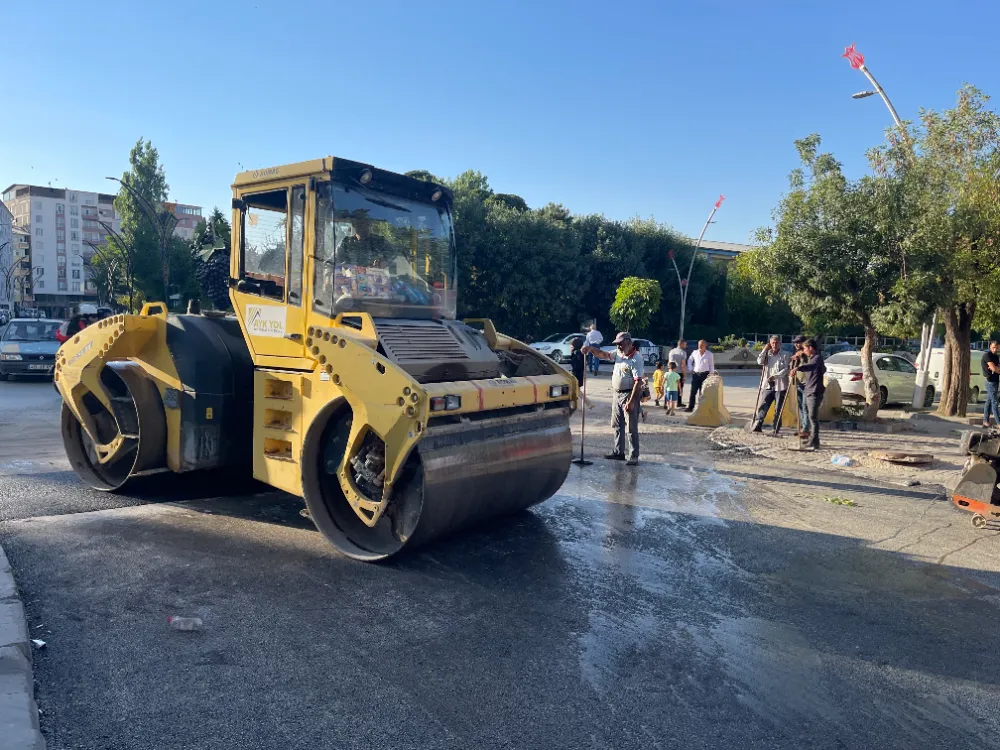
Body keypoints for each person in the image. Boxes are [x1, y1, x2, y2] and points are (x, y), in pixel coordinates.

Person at [583, 331, 644, 466]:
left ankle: (633, 455)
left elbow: (638, 382)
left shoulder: (636, 358)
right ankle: (618, 452)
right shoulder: (618, 353)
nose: (619, 346)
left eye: (621, 344)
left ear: (628, 342)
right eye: (617, 344)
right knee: (617, 424)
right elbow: (603, 355)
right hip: (617, 394)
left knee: (631, 428)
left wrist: (631, 401)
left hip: (629, 394)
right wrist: (591, 349)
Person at [748, 335, 791, 436]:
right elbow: (759, 361)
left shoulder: (785, 354)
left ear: (780, 343)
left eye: (776, 343)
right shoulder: (768, 354)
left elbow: (786, 369)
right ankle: (758, 425)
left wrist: (775, 376)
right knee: (763, 405)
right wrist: (764, 350)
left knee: (778, 408)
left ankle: (776, 428)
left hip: (780, 385)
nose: (774, 345)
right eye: (772, 343)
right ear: (770, 344)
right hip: (767, 384)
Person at [790, 338, 825, 450]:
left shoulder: (817, 358)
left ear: (810, 348)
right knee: (809, 415)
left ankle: (814, 441)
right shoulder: (811, 358)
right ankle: (814, 440)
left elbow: (812, 366)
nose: (804, 350)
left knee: (813, 417)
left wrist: (799, 368)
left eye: (805, 348)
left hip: (815, 391)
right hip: (808, 390)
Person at [790, 335, 810, 438]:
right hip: (798, 383)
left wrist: (801, 356)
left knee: (805, 407)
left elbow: (808, 366)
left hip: (807, 384)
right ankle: (803, 427)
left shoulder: (808, 354)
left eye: (798, 342)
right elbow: (792, 366)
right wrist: (793, 361)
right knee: (801, 407)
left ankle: (806, 429)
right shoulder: (797, 353)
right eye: (795, 343)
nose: (796, 344)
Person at [685, 339, 714, 412]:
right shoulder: (695, 352)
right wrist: (690, 368)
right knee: (693, 391)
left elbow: (711, 365)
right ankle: (690, 407)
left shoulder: (709, 354)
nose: (700, 346)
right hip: (696, 374)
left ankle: (702, 408)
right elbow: (689, 360)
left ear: (705, 346)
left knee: (703, 392)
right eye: (699, 345)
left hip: (705, 375)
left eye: (701, 345)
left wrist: (711, 375)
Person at [982, 340, 1000, 428]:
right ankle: (999, 423)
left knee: (989, 402)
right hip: (990, 381)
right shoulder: (987, 355)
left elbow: (997, 369)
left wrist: (996, 368)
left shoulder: (996, 356)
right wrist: (995, 368)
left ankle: (985, 421)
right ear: (990, 347)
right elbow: (994, 369)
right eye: (993, 347)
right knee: (995, 402)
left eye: (997, 348)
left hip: (996, 380)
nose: (995, 349)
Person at [667, 339, 688, 408]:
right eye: (685, 344)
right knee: (679, 388)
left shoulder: (671, 351)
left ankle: (666, 402)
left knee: (670, 387)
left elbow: (669, 362)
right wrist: (684, 375)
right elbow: (683, 365)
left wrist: (668, 371)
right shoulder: (683, 353)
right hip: (679, 373)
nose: (686, 346)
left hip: (671, 372)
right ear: (681, 344)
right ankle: (679, 402)